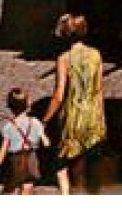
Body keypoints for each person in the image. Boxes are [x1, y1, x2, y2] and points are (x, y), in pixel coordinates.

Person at [42, 13, 105, 195]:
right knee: (90, 169)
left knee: (63, 164)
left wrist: (45, 119)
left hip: (73, 119)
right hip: (94, 118)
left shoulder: (64, 59)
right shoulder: (96, 55)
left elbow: (59, 96)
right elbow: (99, 90)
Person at [0, 87, 48, 194]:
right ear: (27, 106)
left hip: (15, 161)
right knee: (27, 187)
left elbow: (3, 150)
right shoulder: (35, 122)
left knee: (10, 189)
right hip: (31, 159)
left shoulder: (9, 126)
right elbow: (46, 142)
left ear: (10, 107)